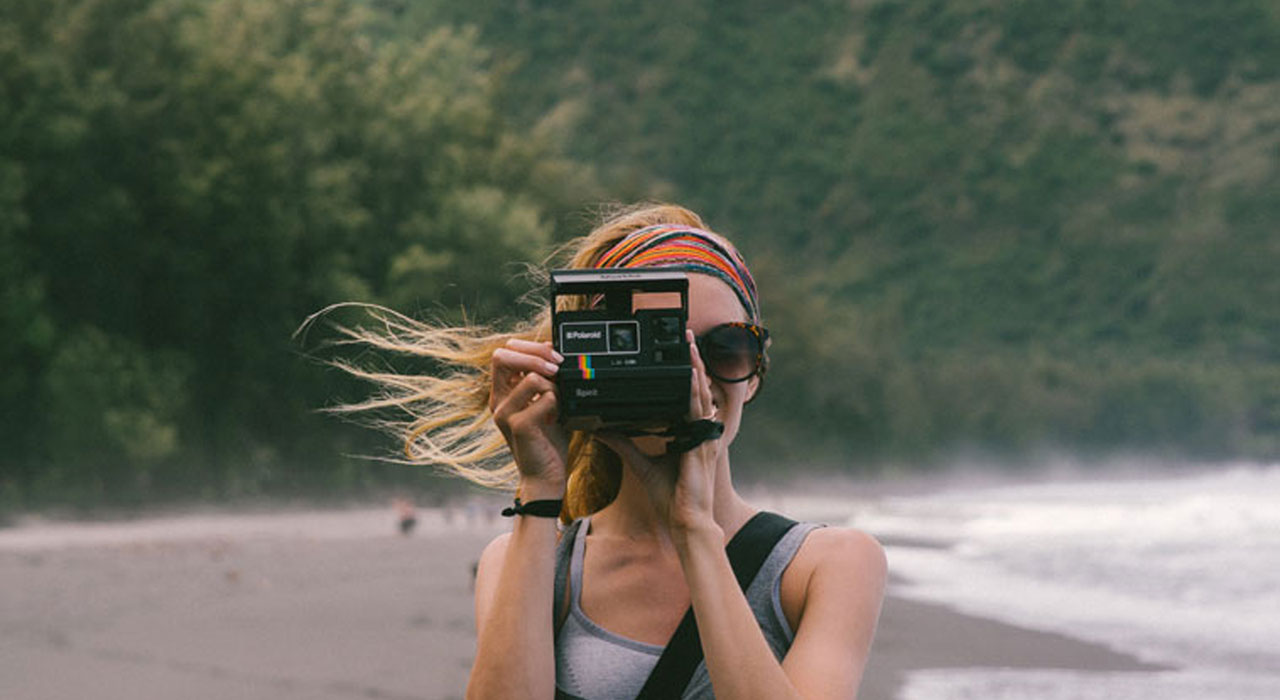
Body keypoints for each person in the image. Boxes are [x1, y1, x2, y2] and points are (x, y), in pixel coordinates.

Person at [335, 203, 886, 699]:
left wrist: (695, 530)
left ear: (755, 376)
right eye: (662, 344)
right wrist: (539, 488)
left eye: (726, 348)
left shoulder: (826, 566)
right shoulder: (528, 565)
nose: (692, 375)